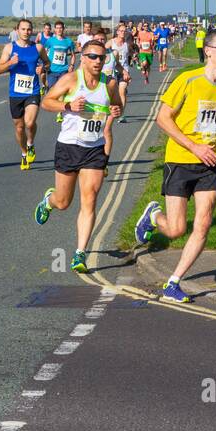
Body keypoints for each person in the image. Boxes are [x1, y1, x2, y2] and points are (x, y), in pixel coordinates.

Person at [133, 28, 216, 302]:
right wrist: (193, 147)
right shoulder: (187, 80)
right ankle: (153, 217)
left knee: (204, 224)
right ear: (207, 51)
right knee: (176, 230)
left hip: (210, 164)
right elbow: (163, 119)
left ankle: (173, 282)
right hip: (180, 160)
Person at [33, 39, 123, 273]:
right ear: (82, 58)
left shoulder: (109, 83)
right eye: (92, 56)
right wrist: (68, 106)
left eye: (101, 58)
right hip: (69, 146)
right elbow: (46, 102)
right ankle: (49, 201)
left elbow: (117, 105)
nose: (97, 61)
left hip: (95, 147)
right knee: (64, 202)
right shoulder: (71, 79)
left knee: (90, 198)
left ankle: (79, 253)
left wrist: (117, 109)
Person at [0, 18, 48, 169]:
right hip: (15, 93)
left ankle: (30, 143)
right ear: (17, 30)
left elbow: (47, 63)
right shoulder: (9, 48)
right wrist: (10, 63)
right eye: (23, 29)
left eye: (29, 29)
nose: (26, 32)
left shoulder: (38, 48)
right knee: (19, 127)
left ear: (32, 31)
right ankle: (24, 153)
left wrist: (43, 69)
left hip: (33, 91)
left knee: (29, 123)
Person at [108, 23, 133, 122]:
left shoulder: (127, 44)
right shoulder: (111, 43)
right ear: (117, 32)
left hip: (124, 71)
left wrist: (134, 60)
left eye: (124, 31)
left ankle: (121, 114)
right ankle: (111, 110)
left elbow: (130, 55)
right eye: (121, 31)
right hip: (112, 71)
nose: (123, 33)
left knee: (122, 91)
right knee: (111, 94)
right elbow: (103, 53)